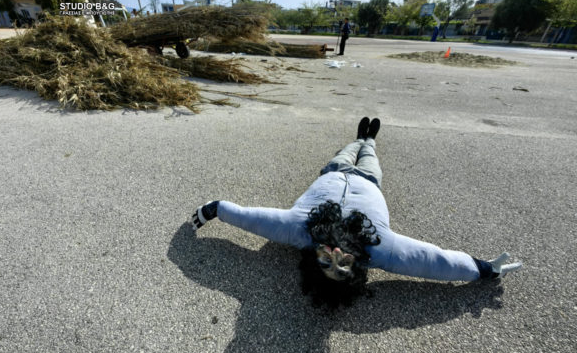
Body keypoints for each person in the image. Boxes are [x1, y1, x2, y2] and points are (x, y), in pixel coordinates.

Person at [191, 117, 522, 306]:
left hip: (333, 171)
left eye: (327, 261)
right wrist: (482, 269)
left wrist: (215, 209)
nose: (336, 254)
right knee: (369, 155)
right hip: (369, 180)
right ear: (358, 267)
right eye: (344, 263)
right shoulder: (380, 249)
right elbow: (434, 261)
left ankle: (358, 138)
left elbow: (250, 218)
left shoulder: (297, 229)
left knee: (347, 150)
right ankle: (370, 140)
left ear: (312, 260)